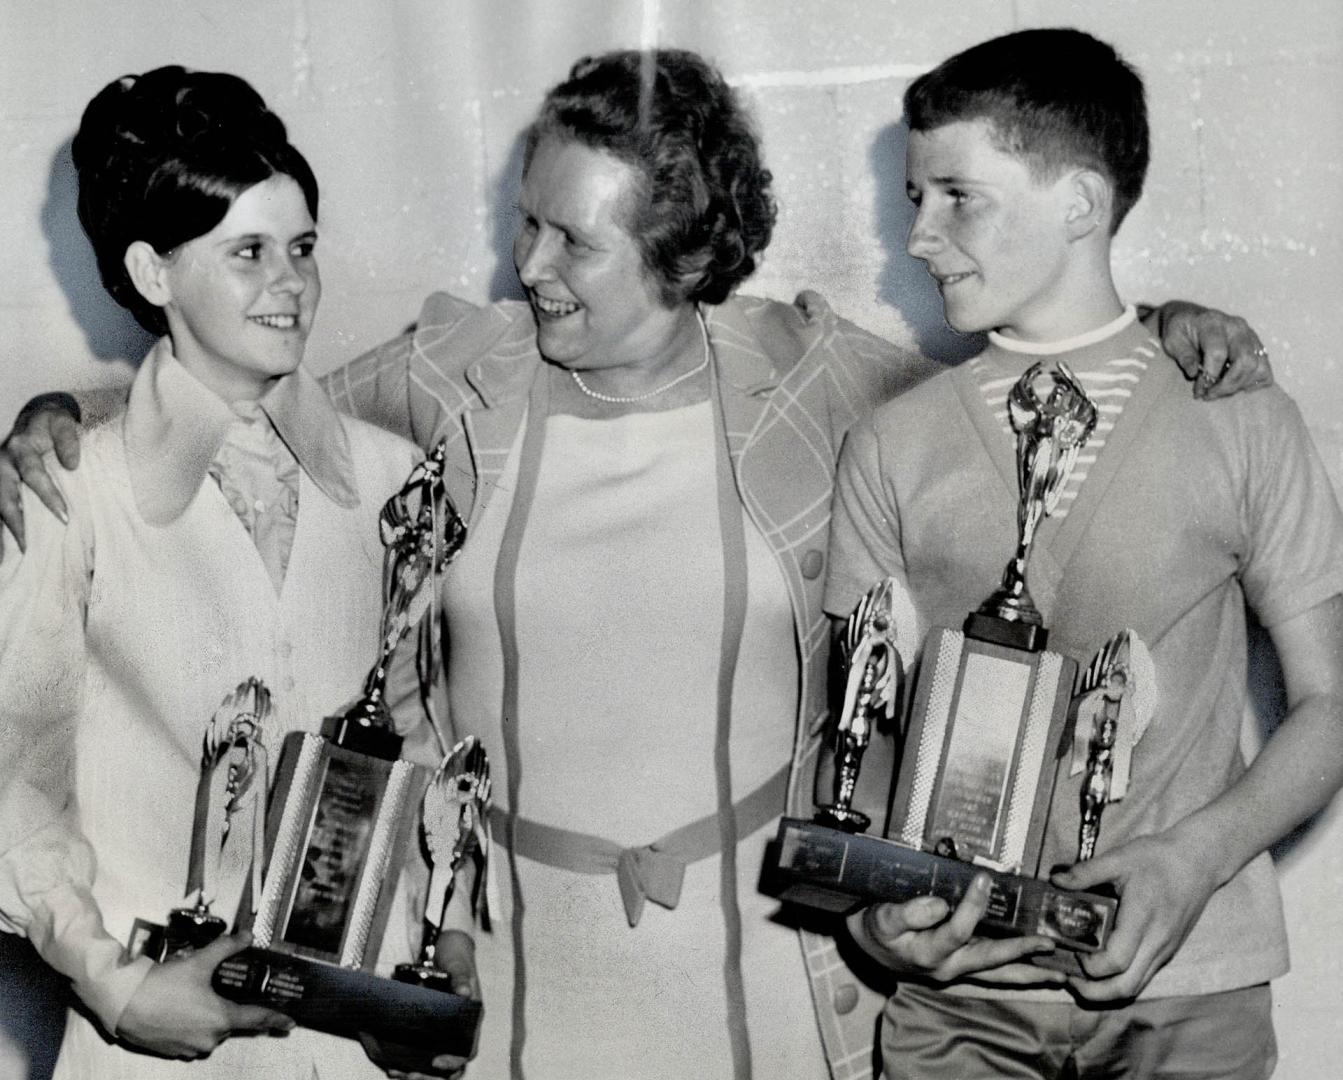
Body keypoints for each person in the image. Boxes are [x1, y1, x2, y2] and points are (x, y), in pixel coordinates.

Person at [0, 48, 1272, 1080]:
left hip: (772, 972)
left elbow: (1012, 400)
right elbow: (242, 405)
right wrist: (62, 424)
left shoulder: (812, 378)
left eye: (574, 242)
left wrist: (1158, 328)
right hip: (516, 966)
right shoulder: (456, 372)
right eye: (526, 227)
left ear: (679, 256)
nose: (527, 268)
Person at [824, 28, 1343, 1080]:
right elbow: (854, 739)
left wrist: (1193, 861)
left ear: (1078, 205)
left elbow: (1332, 704)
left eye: (955, 195)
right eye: (914, 198)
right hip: (954, 1008)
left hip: (1188, 986)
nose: (916, 237)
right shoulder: (890, 441)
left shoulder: (1236, 415)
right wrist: (871, 921)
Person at [0, 67, 471, 1080]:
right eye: (248, 252)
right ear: (153, 271)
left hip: (351, 1051)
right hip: (157, 1048)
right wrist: (113, 986)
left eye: (301, 248)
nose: (290, 282)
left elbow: (422, 746)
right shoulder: (70, 490)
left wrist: (446, 946)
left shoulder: (393, 480)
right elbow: (8, 781)